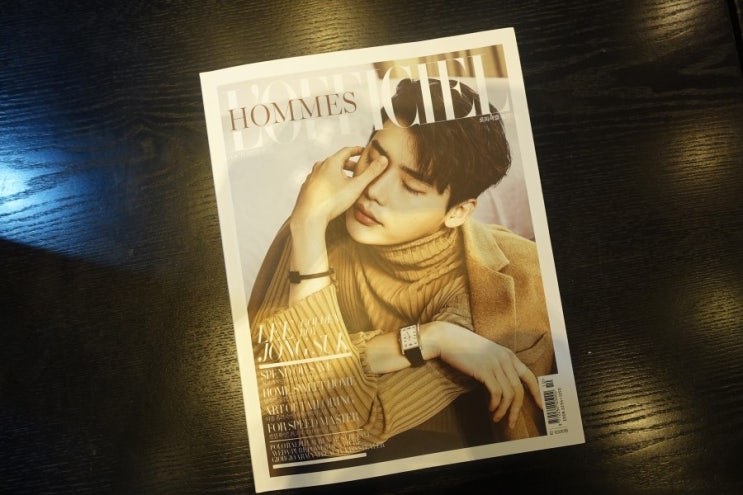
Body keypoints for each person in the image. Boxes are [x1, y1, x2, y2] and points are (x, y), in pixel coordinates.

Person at [248, 78, 553, 459]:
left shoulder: (489, 291)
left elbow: (331, 433)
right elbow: (258, 380)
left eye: (410, 186)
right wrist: (430, 338)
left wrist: (349, 351)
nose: (373, 190)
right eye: (374, 159)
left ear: (458, 212)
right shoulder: (318, 217)